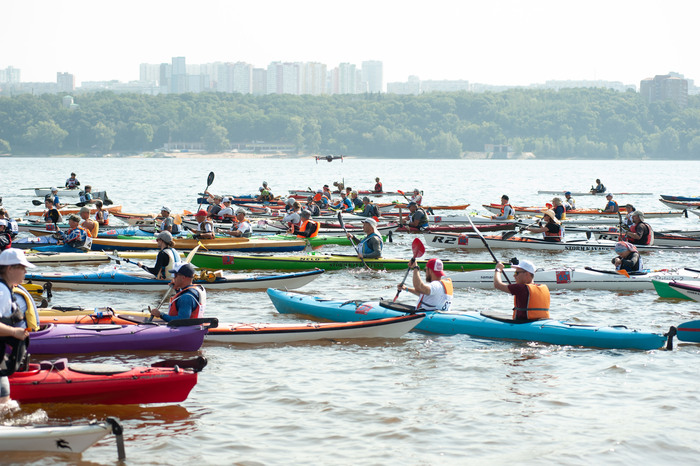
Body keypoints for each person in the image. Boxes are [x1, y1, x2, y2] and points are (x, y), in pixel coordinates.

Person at [0, 249, 33, 407]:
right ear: (9, 268)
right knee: (4, 404)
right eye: (22, 268)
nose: (25, 272)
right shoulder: (1, 292)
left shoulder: (5, 288)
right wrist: (14, 332)